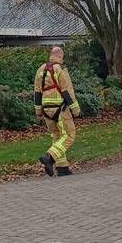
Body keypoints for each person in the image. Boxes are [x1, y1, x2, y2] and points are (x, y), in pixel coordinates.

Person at [34, 46, 81, 177]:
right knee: (70, 135)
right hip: (60, 109)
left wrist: (38, 111)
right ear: (60, 56)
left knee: (57, 136)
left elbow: (37, 93)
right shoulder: (60, 69)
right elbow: (67, 90)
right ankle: (50, 157)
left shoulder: (40, 70)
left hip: (46, 110)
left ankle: (62, 168)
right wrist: (75, 108)